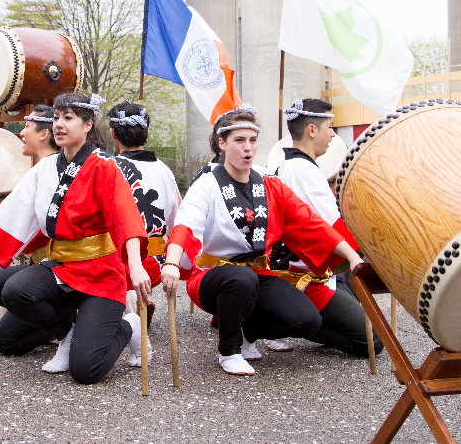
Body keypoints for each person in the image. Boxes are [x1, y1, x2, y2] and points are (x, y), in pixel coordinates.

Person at [0, 92, 151, 384]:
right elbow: (8, 214)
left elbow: (125, 217)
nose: (59, 125)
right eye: (56, 118)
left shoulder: (104, 166)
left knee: (86, 371)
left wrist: (136, 265)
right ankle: (67, 332)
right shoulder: (46, 167)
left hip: (100, 272)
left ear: (88, 124)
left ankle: (128, 326)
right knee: (13, 300)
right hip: (62, 267)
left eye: (69, 118)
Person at [159, 105, 363, 376]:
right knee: (239, 280)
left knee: (307, 320)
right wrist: (172, 263)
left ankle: (249, 330)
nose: (248, 148)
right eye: (239, 141)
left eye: (252, 141)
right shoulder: (208, 183)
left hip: (258, 272)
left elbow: (311, 224)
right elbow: (186, 224)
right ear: (222, 143)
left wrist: (352, 256)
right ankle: (229, 350)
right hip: (211, 276)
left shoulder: (269, 182)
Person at [272, 98, 382, 358]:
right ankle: (292, 323)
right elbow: (330, 227)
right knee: (372, 342)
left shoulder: (293, 166)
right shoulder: (301, 171)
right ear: (312, 130)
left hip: (319, 269)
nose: (333, 134)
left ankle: (304, 317)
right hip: (305, 278)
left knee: (370, 318)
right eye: (330, 127)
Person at [0, 105, 61, 356]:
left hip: (65, 267)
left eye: (26, 127)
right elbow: (11, 216)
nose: (21, 133)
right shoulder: (41, 168)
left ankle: (67, 322)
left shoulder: (59, 170)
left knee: (5, 343)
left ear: (44, 134)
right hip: (43, 266)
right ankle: (52, 321)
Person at [107, 102, 180, 326]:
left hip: (121, 263)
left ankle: (124, 313)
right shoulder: (165, 170)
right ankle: (137, 306)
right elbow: (177, 220)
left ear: (113, 134)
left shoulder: (108, 168)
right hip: (157, 263)